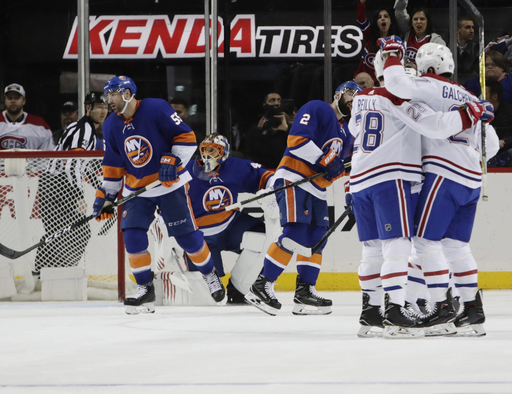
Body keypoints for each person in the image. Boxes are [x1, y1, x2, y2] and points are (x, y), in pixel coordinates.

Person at [349, 47, 492, 339]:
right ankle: (459, 309)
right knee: (442, 246)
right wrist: (472, 115)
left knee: (385, 248)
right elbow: (484, 141)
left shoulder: (364, 99)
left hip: (365, 178)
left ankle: (375, 311)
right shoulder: (467, 96)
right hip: (460, 177)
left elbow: (355, 129)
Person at [92, 75, 225, 314]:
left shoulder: (155, 108)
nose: (108, 100)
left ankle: (209, 274)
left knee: (188, 239)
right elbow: (112, 164)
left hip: (169, 185)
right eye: (107, 95)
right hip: (137, 189)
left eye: (112, 94)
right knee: (132, 237)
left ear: (127, 94)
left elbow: (186, 137)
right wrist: (107, 196)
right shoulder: (111, 124)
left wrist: (173, 160)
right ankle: (145, 289)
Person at [245, 81, 361, 316]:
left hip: (318, 189)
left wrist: (351, 191)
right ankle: (262, 285)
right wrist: (326, 160)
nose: (353, 100)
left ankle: (305, 292)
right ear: (339, 93)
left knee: (318, 239)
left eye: (358, 98)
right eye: (350, 94)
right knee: (296, 232)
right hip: (293, 178)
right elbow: (296, 141)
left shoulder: (346, 131)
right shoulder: (318, 108)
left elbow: (349, 166)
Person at [184, 134, 275, 304]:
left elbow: (266, 176)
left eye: (213, 150)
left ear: (224, 152)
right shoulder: (186, 171)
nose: (207, 155)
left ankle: (239, 289)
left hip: (231, 224)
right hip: (200, 235)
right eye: (204, 150)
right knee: (211, 299)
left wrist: (273, 185)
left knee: (267, 240)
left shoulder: (235, 167)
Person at [34, 92, 109, 275]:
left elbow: (83, 165)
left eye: (106, 107)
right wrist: (77, 195)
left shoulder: (86, 129)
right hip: (57, 185)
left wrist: (97, 185)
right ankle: (47, 272)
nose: (103, 111)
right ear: (88, 108)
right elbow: (72, 162)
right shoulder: (83, 130)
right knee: (71, 233)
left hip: (55, 184)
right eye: (98, 107)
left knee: (68, 233)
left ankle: (48, 272)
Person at [354, 0, 400, 83]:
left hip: (385, 84)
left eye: (386, 16)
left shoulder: (396, 41)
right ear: (376, 22)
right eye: (379, 17)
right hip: (364, 83)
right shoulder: (370, 36)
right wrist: (361, 3)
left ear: (391, 21)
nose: (382, 18)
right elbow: (361, 19)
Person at [0, 83, 54, 150]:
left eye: (17, 98)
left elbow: (48, 155)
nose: (13, 101)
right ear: (5, 101)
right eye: (9, 98)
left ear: (24, 101)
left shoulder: (40, 125)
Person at [245, 92, 289, 168]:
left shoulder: (289, 127)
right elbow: (249, 152)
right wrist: (259, 132)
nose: (276, 103)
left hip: (283, 169)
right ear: (264, 104)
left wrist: (286, 130)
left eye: (279, 100)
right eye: (272, 100)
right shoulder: (256, 128)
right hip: (261, 170)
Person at [486, 81, 512, 167]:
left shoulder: (509, 112)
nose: (480, 98)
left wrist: (504, 142)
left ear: (494, 96)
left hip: (505, 151)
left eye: (484, 94)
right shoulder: (480, 113)